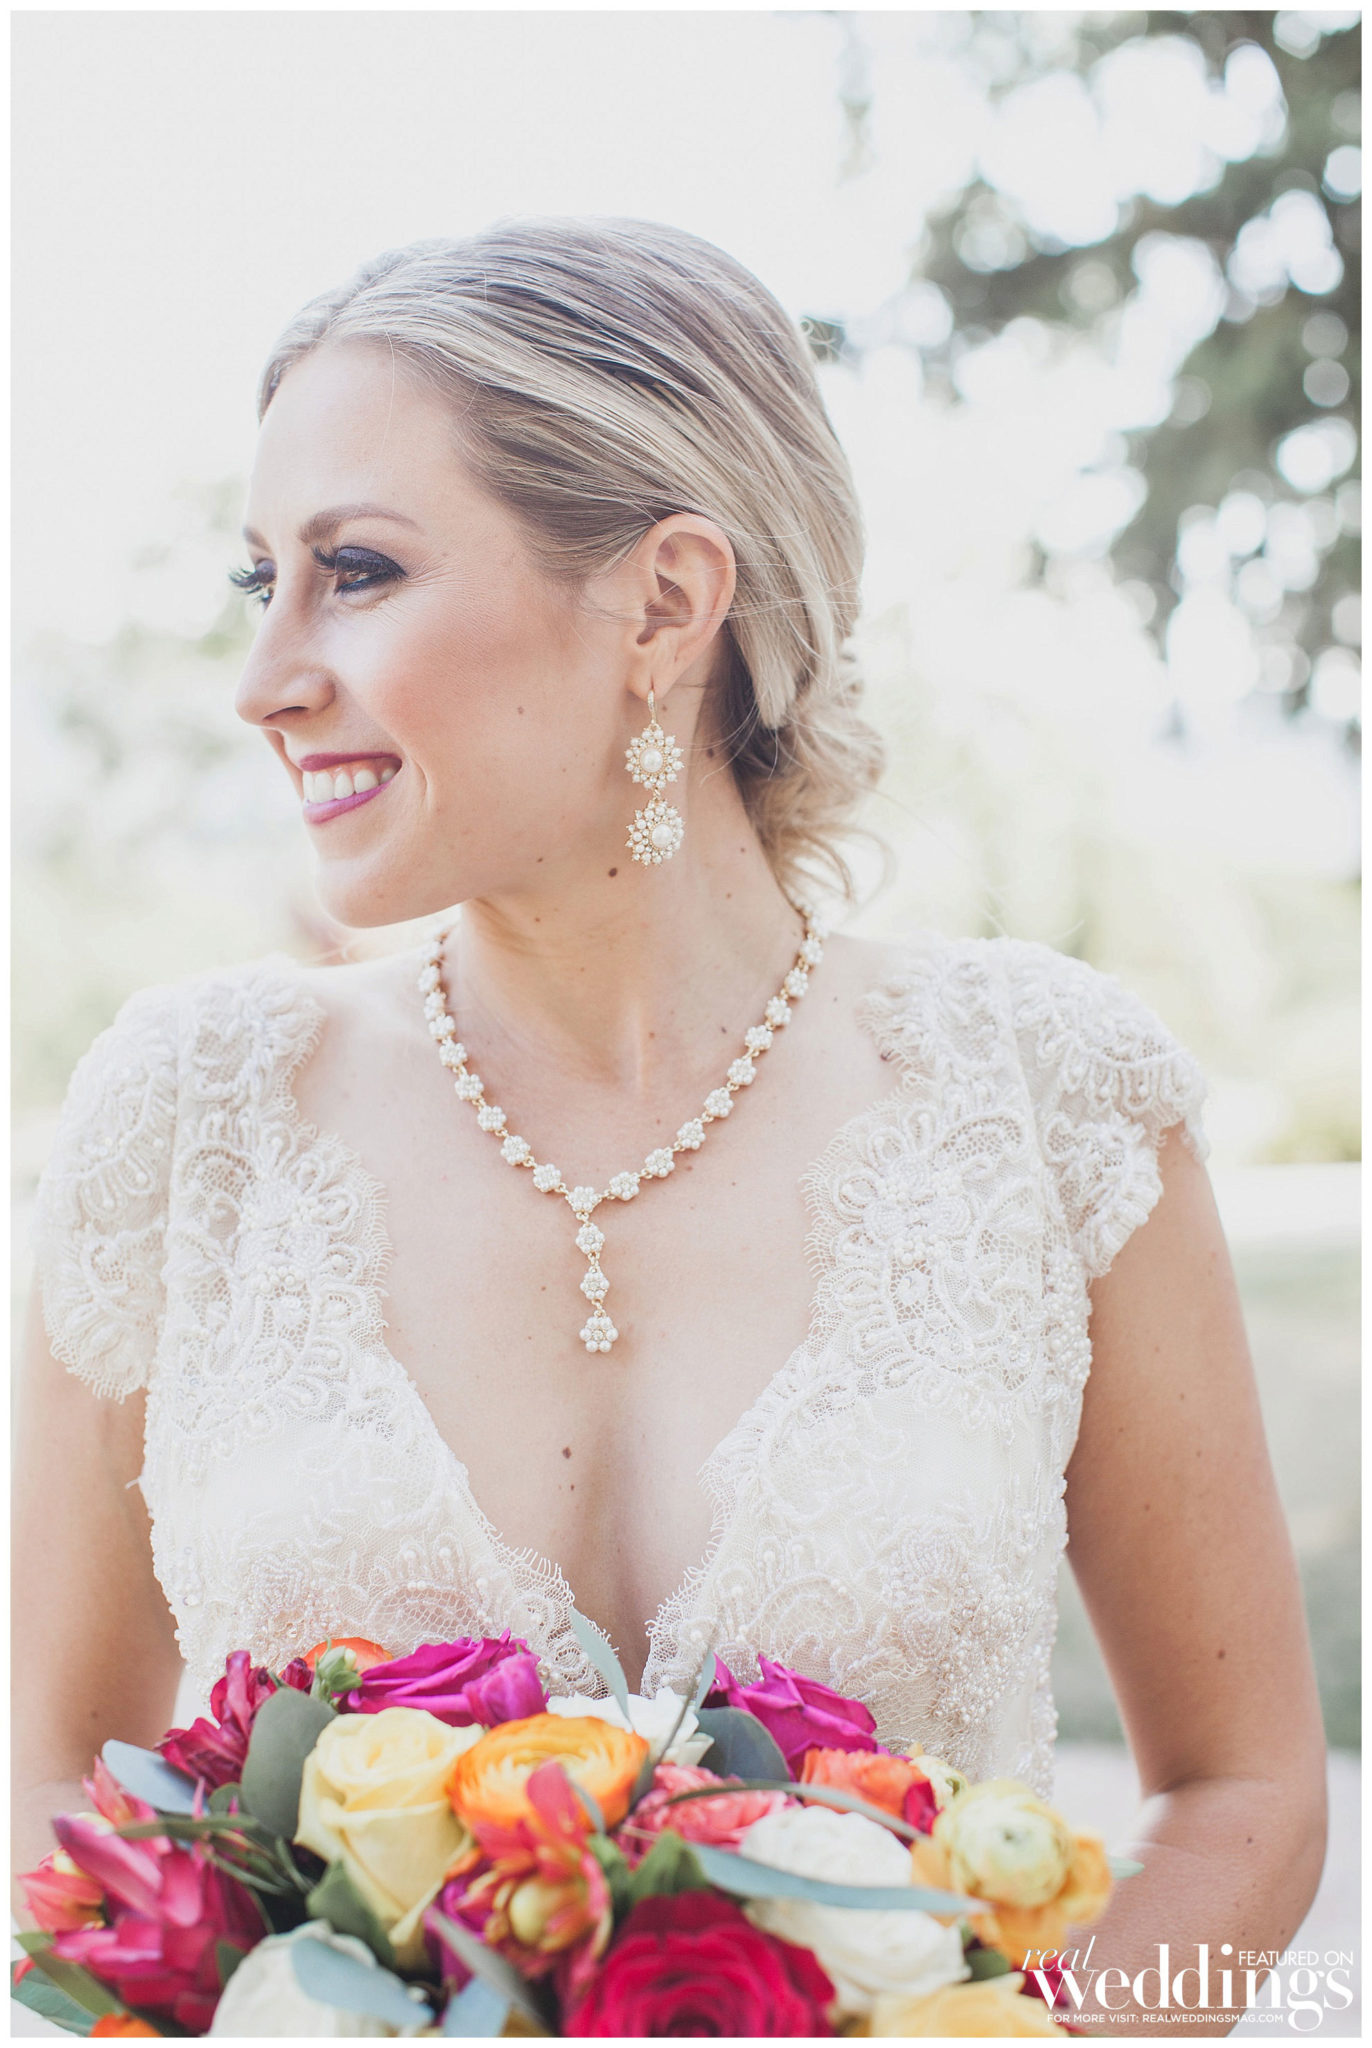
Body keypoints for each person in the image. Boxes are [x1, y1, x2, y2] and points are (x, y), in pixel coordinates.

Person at [14, 218, 1325, 2026]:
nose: (266, 680)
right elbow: (55, 1788)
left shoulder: (1051, 1099)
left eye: (358, 572)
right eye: (265, 582)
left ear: (664, 602)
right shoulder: (189, 1120)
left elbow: (1246, 1792)